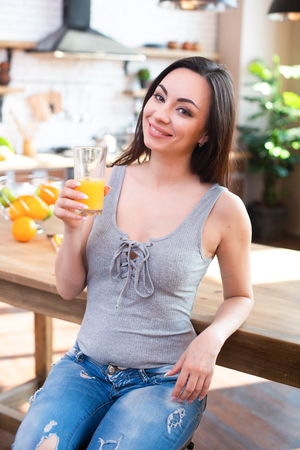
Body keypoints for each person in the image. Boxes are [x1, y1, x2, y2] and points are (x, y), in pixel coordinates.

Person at [12, 57, 253, 450]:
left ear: (206, 132)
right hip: (83, 367)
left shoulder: (223, 209)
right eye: (159, 97)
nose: (160, 114)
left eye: (183, 110)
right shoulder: (101, 180)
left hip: (163, 378)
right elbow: (69, 288)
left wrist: (210, 341)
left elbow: (241, 296)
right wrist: (73, 230)